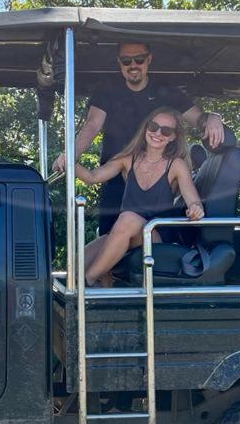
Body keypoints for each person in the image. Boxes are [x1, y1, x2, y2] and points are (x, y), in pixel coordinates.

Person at [53, 41, 225, 235]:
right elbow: (93, 124)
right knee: (107, 239)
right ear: (119, 62)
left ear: (149, 59)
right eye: (126, 61)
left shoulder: (164, 90)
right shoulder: (108, 88)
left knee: (132, 230)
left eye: (139, 59)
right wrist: (70, 156)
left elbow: (197, 118)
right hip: (115, 180)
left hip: (156, 187)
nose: (133, 65)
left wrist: (212, 118)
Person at [74, 108, 204, 286]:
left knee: (127, 218)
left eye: (166, 131)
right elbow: (92, 177)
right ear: (146, 128)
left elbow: (194, 201)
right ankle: (105, 292)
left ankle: (87, 281)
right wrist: (68, 160)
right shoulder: (128, 159)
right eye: (153, 127)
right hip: (125, 232)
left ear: (173, 137)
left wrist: (196, 209)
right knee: (78, 262)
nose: (158, 133)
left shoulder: (177, 165)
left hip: (155, 236)